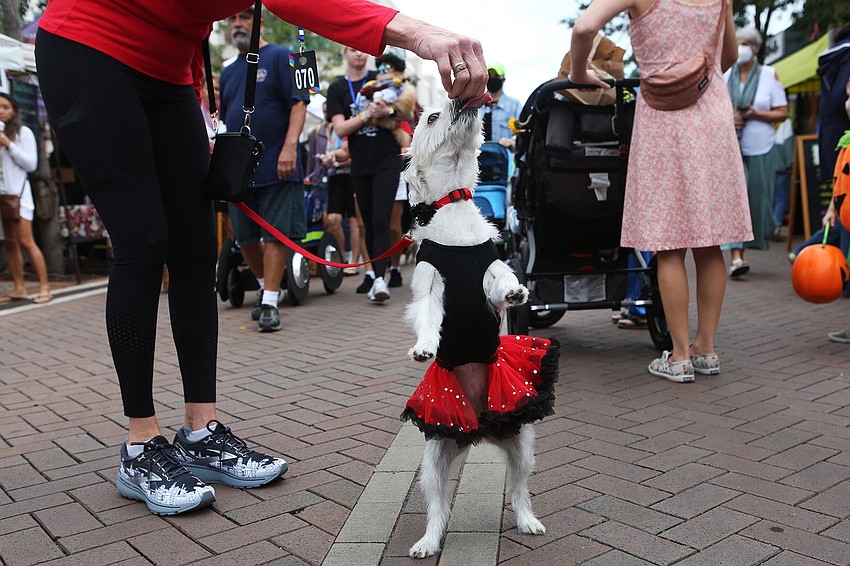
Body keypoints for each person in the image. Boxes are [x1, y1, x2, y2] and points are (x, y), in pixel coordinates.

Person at [35, 0, 486, 516]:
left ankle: (201, 432)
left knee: (196, 251)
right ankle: (140, 446)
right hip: (93, 44)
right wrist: (417, 33)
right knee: (143, 243)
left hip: (172, 71)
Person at [571, 0, 751, 383]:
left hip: (663, 119)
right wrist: (695, 78)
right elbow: (729, 54)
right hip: (712, 112)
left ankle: (680, 356)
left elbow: (584, 28)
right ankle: (707, 349)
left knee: (668, 243)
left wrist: (580, 72)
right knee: (710, 241)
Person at [220, 8, 308, 333]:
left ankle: (270, 303)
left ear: (258, 23)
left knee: (274, 234)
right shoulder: (228, 71)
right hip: (239, 171)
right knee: (243, 237)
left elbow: (299, 103)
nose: (238, 24)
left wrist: (289, 148)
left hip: (276, 163)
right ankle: (265, 287)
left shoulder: (281, 56)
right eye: (232, 19)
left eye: (244, 17)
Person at [327, 47, 415, 303]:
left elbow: (408, 112)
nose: (358, 54)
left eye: (362, 50)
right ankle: (375, 273)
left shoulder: (383, 75)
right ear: (343, 52)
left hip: (387, 159)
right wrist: (367, 114)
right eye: (352, 49)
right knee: (365, 222)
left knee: (381, 219)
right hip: (359, 162)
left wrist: (387, 112)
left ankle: (379, 279)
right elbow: (341, 128)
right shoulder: (337, 88)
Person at [722, 27, 788, 278]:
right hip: (729, 146)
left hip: (761, 146)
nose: (741, 48)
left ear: (756, 48)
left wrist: (754, 114)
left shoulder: (769, 75)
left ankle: (752, 244)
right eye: (737, 42)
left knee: (758, 199)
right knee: (735, 198)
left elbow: (782, 111)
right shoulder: (725, 74)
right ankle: (736, 257)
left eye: (746, 43)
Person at [0, 93, 51, 305]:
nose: (1, 111)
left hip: (19, 196)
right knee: (10, 243)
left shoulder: (23, 133)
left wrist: (9, 144)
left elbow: (31, 164)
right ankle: (19, 287)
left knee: (26, 241)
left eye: (5, 107)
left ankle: (44, 287)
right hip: (2, 196)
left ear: (14, 111)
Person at [480, 62, 523, 150]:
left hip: (503, 160)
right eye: (489, 76)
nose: (492, 79)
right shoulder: (476, 105)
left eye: (496, 76)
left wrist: (512, 142)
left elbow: (522, 134)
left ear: (503, 79)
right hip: (477, 158)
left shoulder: (514, 105)